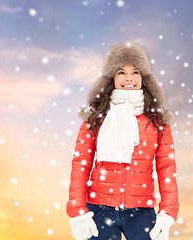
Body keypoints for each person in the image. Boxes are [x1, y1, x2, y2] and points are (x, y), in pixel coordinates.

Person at [66, 42, 179, 240]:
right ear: (112, 77)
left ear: (144, 78)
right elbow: (80, 164)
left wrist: (167, 213)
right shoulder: (96, 118)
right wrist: (77, 212)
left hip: (141, 212)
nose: (129, 78)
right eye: (121, 72)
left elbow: (166, 168)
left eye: (135, 72)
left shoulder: (157, 121)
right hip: (99, 210)